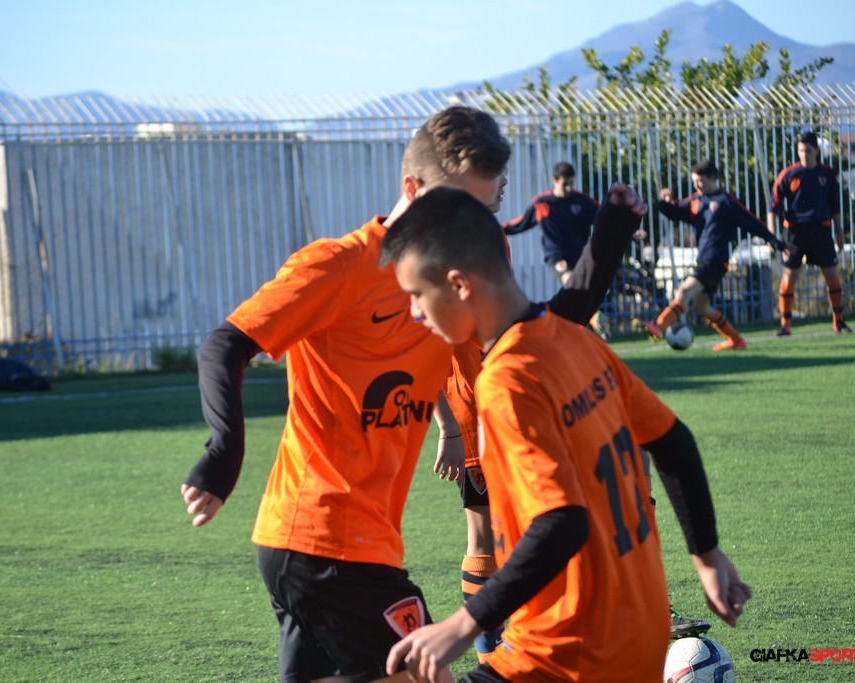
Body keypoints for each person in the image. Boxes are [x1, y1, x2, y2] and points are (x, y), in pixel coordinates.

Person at [179, 106, 638, 682]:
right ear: (413, 190)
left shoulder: (461, 272)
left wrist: (608, 239)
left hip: (346, 547)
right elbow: (225, 345)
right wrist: (224, 450)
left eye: (483, 210)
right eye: (457, 205)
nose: (469, 225)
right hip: (325, 540)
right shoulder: (338, 266)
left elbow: (537, 332)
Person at [381, 186, 752, 683]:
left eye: (416, 296)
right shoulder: (579, 340)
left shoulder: (505, 380)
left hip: (564, 650)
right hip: (638, 636)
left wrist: (463, 625)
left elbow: (561, 521)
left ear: (459, 285)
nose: (415, 314)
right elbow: (673, 442)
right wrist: (705, 554)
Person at [635, 159, 787, 351]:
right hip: (704, 259)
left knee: (684, 291)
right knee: (701, 307)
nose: (697, 186)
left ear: (713, 178)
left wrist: (774, 241)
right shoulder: (695, 201)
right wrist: (665, 203)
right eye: (694, 182)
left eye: (700, 181)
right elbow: (676, 212)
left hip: (715, 259)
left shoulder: (725, 201)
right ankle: (736, 340)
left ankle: (659, 326)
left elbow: (751, 222)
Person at [501, 161, 609, 339]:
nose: (568, 188)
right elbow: (520, 223)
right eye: (564, 184)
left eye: (571, 184)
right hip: (557, 256)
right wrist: (497, 228)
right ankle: (592, 318)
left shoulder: (582, 202)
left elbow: (604, 219)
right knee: (571, 281)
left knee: (584, 289)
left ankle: (582, 327)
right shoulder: (542, 204)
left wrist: (631, 232)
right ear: (554, 180)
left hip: (581, 255)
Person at [768, 131, 851, 335]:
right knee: (790, 275)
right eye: (801, 151)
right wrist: (771, 235)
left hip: (821, 230)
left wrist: (839, 231)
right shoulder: (788, 174)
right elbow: (773, 206)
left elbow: (834, 205)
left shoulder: (827, 174)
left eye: (808, 151)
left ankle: (838, 321)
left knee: (831, 274)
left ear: (816, 151)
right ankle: (785, 324)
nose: (804, 154)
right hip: (794, 232)